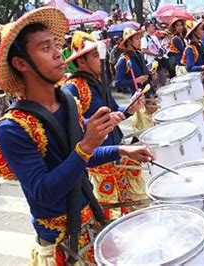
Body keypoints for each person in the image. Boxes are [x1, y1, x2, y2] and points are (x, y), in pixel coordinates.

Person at [0, 7, 153, 264]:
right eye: (45, 48)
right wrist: (87, 144)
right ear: (21, 63)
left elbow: (79, 160)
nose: (58, 53)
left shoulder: (68, 102)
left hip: (91, 220)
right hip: (60, 245)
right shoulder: (13, 128)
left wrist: (120, 150)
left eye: (56, 45)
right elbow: (44, 192)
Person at [63, 38, 147, 220]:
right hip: (99, 161)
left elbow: (116, 112)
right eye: (95, 55)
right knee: (111, 215)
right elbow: (72, 129)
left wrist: (131, 107)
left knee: (130, 208)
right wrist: (95, 124)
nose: (101, 58)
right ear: (81, 61)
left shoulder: (99, 81)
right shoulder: (72, 88)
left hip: (117, 151)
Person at [114, 28, 157, 140]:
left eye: (139, 38)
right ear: (129, 42)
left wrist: (151, 75)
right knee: (145, 131)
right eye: (137, 39)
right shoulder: (123, 60)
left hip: (149, 94)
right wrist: (136, 81)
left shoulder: (139, 54)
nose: (139, 41)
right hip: (138, 99)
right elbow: (118, 83)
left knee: (151, 126)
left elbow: (145, 73)